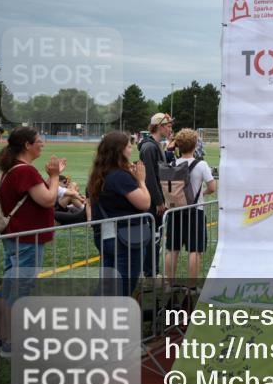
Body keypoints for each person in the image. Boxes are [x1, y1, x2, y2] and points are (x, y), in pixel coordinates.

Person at [0, 127, 65, 356]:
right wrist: (54, 176)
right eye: (38, 141)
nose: (42, 143)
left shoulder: (14, 168)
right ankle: (12, 342)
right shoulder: (25, 170)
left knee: (9, 287)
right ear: (27, 145)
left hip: (15, 237)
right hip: (27, 238)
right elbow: (48, 199)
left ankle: (2, 337)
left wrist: (51, 177)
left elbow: (35, 196)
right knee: (21, 289)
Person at [87, 131, 151, 296]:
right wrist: (141, 181)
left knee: (107, 285)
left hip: (106, 234)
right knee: (123, 287)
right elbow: (145, 203)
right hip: (124, 237)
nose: (131, 149)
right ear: (119, 150)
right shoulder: (119, 175)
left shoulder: (99, 173)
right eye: (129, 146)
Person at [164, 128, 215, 285]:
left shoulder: (172, 164)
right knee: (195, 250)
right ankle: (192, 287)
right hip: (195, 211)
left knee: (172, 249)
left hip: (175, 210)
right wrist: (201, 194)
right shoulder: (201, 165)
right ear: (195, 145)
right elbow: (212, 187)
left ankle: (170, 284)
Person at [139, 112, 173, 278]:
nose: (170, 129)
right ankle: (150, 272)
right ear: (159, 126)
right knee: (153, 237)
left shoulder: (155, 145)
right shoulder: (149, 147)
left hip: (156, 199)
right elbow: (150, 178)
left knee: (156, 236)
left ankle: (152, 271)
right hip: (153, 201)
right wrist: (159, 201)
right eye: (168, 126)